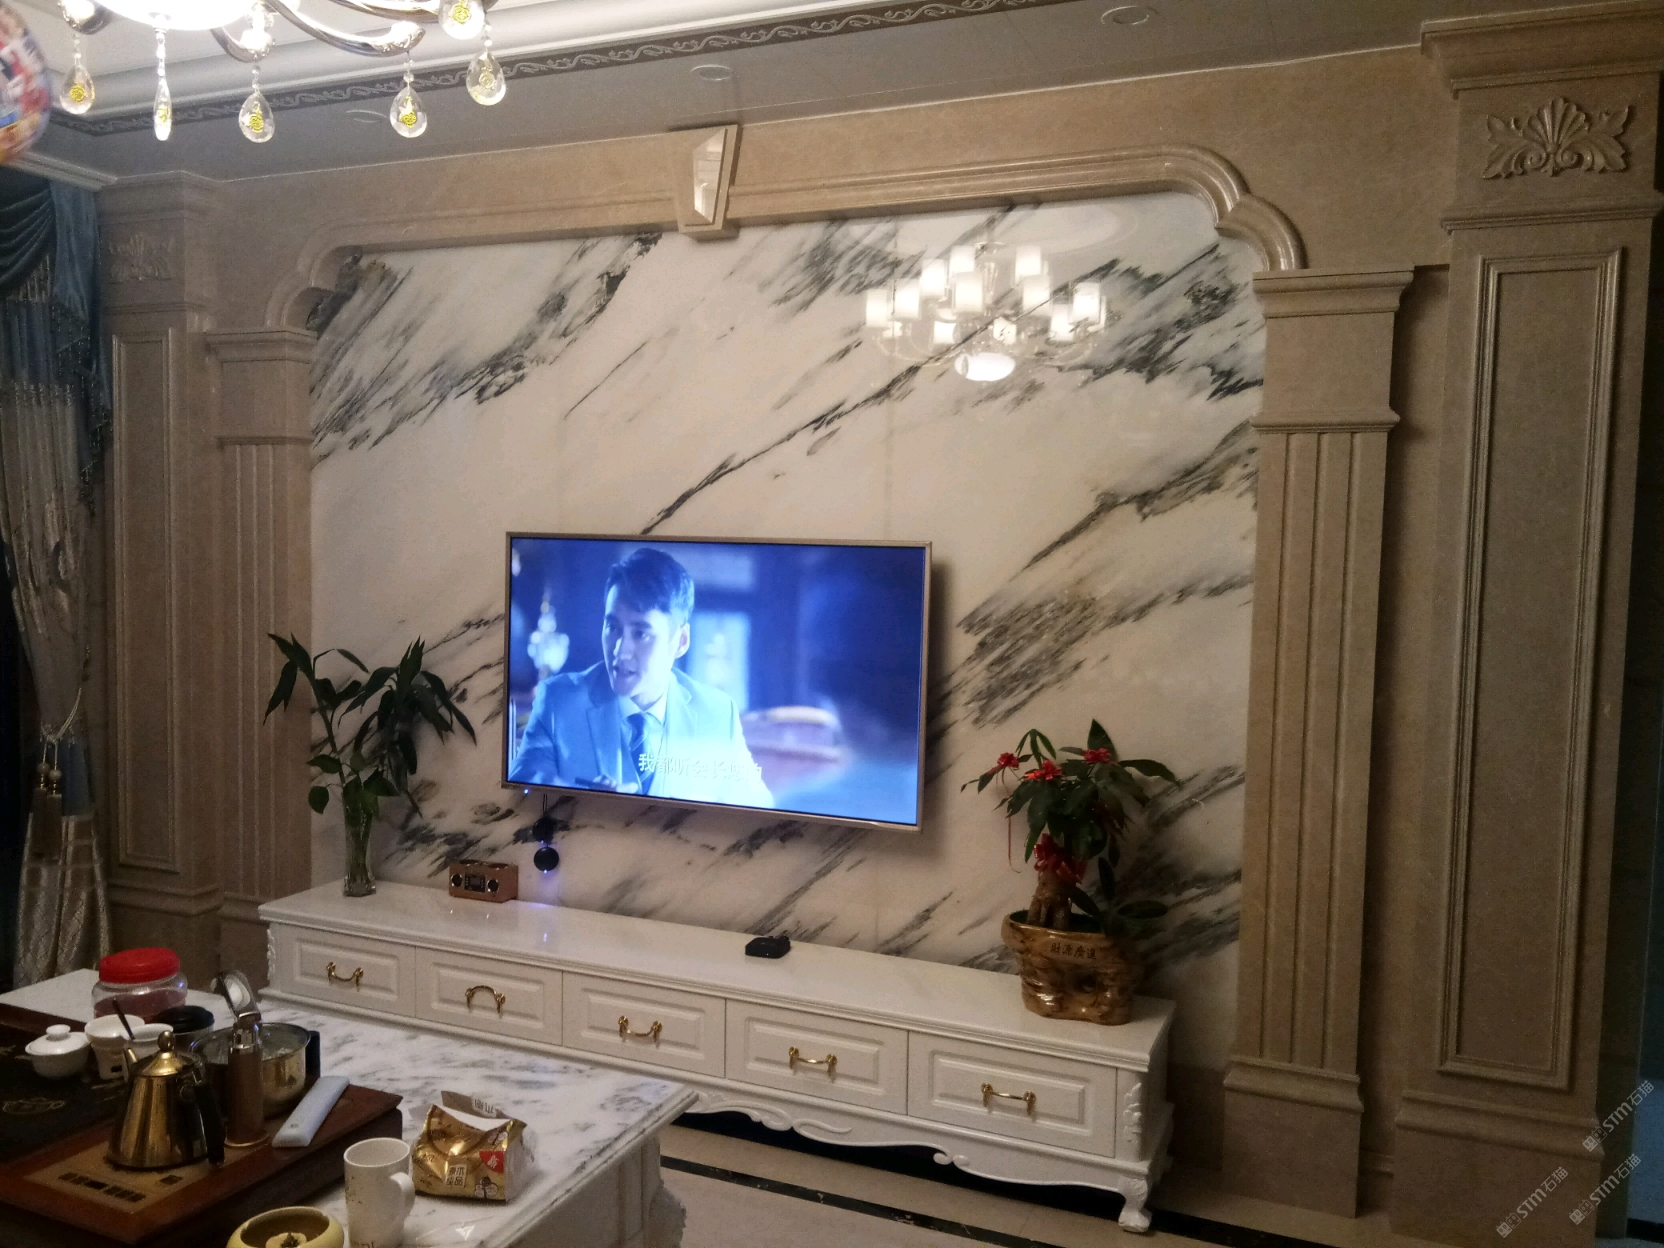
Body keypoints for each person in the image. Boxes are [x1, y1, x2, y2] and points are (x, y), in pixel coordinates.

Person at [511, 547, 773, 808]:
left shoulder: (717, 714)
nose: (620, 650)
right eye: (612, 627)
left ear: (680, 641)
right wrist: (584, 802)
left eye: (641, 633)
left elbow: (759, 806)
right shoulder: (559, 700)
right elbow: (523, 788)